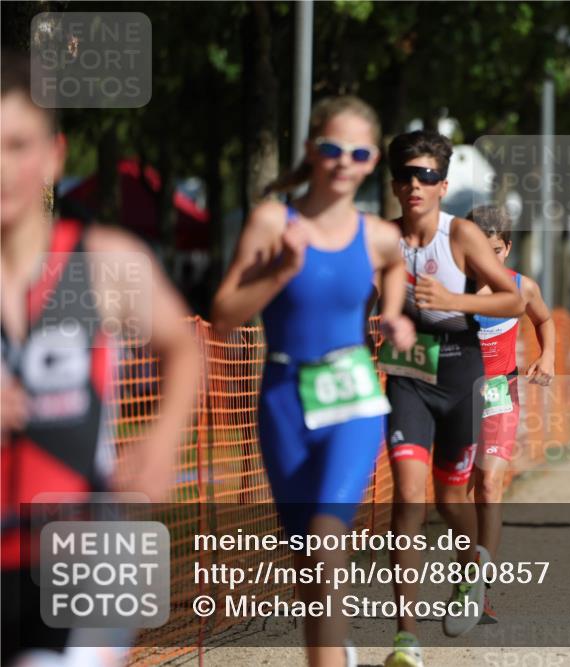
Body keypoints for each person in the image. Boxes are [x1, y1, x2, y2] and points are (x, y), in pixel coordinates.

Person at [1, 49, 199, 666]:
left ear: (54, 155)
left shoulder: (106, 260)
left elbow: (183, 346)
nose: (1, 168)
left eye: (17, 145)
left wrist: (163, 442)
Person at [212, 96, 415, 667]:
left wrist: (394, 312)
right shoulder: (272, 221)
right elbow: (224, 314)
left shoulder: (375, 234)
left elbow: (395, 263)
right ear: (310, 151)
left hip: (352, 401)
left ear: (372, 161)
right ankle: (335, 653)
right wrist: (279, 271)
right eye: (331, 149)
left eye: (357, 152)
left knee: (325, 540)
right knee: (307, 565)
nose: (342, 162)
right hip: (283, 400)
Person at [378, 131, 524, 666]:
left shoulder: (461, 235)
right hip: (408, 372)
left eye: (427, 176)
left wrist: (453, 299)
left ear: (442, 184)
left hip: (462, 369)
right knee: (408, 501)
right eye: (406, 175)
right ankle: (406, 637)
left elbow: (512, 298)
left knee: (449, 500)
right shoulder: (383, 237)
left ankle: (472, 570)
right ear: (394, 184)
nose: (415, 185)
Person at [466, 205, 556, 624]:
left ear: (507, 248)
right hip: (455, 399)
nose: (487, 261)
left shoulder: (522, 287)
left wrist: (548, 356)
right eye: (477, 252)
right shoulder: (451, 288)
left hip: (500, 395)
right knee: (457, 496)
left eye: (496, 250)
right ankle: (464, 570)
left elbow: (545, 320)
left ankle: (477, 589)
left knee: (489, 485)